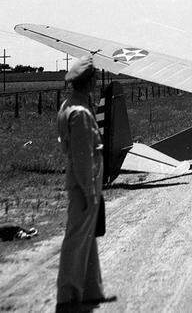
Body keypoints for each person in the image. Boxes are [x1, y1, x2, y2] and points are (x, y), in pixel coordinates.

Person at [56, 56, 115, 312]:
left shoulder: (70, 105)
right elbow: (82, 159)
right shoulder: (79, 114)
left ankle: (91, 290)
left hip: (84, 184)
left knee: (87, 238)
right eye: (94, 79)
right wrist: (91, 192)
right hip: (84, 185)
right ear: (89, 81)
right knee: (77, 239)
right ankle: (67, 295)